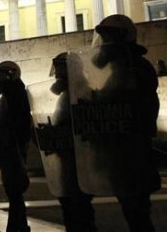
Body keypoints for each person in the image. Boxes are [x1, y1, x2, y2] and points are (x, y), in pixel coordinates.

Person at [86, 15, 160, 232]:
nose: (103, 44)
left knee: (137, 214)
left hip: (132, 152)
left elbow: (140, 108)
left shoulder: (134, 68)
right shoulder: (120, 70)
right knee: (133, 212)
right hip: (122, 152)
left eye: (108, 38)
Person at [47, 52, 97, 231]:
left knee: (78, 208)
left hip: (77, 160)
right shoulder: (70, 91)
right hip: (68, 157)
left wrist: (58, 131)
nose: (57, 75)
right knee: (70, 206)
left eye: (61, 70)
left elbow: (82, 123)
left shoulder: (81, 91)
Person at [0, 61, 33, 232]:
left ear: (10, 74)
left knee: (14, 190)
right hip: (7, 147)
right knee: (12, 191)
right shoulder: (10, 94)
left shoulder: (15, 94)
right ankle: (17, 225)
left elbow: (19, 124)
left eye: (1, 74)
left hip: (12, 148)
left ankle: (18, 226)